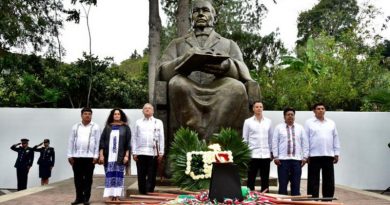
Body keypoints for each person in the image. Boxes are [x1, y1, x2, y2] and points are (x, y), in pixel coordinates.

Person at [158, 0, 260, 139]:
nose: (200, 14)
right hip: (188, 87)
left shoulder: (228, 44)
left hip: (219, 87)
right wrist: (184, 61)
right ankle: (188, 142)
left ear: (214, 16)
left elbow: (243, 70)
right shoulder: (177, 44)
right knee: (177, 83)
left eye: (205, 10)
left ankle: (222, 142)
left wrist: (227, 66)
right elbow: (163, 71)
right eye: (196, 11)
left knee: (237, 88)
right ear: (190, 18)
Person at [305, 103, 340, 199]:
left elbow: (335, 138)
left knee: (329, 180)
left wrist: (336, 153)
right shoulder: (309, 123)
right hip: (314, 156)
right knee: (313, 180)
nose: (321, 110)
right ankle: (313, 200)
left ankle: (328, 200)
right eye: (318, 108)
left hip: (328, 155)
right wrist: (306, 155)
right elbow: (306, 139)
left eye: (322, 108)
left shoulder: (331, 123)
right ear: (314, 111)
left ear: (325, 110)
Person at [67, 107, 101, 205]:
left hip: (90, 158)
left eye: (89, 114)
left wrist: (96, 156)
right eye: (85, 113)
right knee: (78, 179)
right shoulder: (75, 127)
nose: (87, 115)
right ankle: (79, 198)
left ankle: (86, 198)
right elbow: (71, 141)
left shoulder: (96, 127)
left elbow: (97, 142)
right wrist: (70, 155)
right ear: (81, 115)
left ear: (91, 115)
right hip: (76, 157)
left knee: (88, 179)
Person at [272, 107, 309, 195]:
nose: (290, 116)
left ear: (294, 116)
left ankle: (295, 201)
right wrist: (276, 156)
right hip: (283, 161)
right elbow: (274, 142)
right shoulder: (278, 128)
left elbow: (305, 143)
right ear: (284, 117)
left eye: (292, 114)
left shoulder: (300, 128)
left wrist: (305, 157)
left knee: (296, 184)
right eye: (288, 115)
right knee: (283, 184)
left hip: (296, 161)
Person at [98, 108, 131, 201]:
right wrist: (101, 155)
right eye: (115, 114)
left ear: (121, 116)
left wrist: (126, 155)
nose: (117, 115)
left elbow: (128, 143)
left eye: (118, 114)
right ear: (112, 116)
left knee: (119, 176)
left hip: (120, 157)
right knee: (110, 176)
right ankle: (111, 196)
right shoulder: (108, 127)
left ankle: (117, 195)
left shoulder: (125, 127)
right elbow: (102, 142)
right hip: (109, 157)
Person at [132, 103, 164, 195]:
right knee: (141, 174)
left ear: (153, 111)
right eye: (145, 108)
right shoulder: (138, 122)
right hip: (140, 152)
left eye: (149, 108)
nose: (147, 110)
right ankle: (142, 193)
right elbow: (134, 137)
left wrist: (161, 153)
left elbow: (161, 138)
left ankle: (150, 193)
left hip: (153, 153)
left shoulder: (158, 122)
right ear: (142, 111)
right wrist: (134, 152)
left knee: (152, 175)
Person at [242, 101, 273, 192]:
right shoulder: (248, 122)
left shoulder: (268, 122)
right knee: (251, 178)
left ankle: (265, 197)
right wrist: (246, 154)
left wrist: (271, 152)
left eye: (261, 107)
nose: (259, 108)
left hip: (265, 154)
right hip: (253, 154)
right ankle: (250, 196)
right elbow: (245, 139)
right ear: (253, 109)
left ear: (263, 108)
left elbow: (270, 139)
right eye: (257, 107)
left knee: (265, 178)